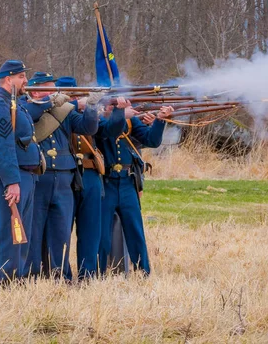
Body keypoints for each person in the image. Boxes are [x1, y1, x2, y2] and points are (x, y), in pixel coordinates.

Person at [22, 72, 100, 281]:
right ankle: (32, 275)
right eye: (47, 88)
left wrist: (91, 107)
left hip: (64, 177)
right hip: (38, 177)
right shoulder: (23, 106)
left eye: (53, 88)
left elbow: (87, 127)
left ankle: (61, 276)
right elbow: (27, 117)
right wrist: (47, 102)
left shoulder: (62, 110)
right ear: (35, 90)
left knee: (61, 232)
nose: (52, 92)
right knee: (34, 232)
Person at [55, 77, 129, 280]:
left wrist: (119, 111)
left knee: (91, 230)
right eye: (72, 95)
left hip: (89, 172)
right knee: (61, 230)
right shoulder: (54, 113)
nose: (77, 98)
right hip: (66, 174)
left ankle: (88, 274)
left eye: (78, 95)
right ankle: (61, 274)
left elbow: (110, 130)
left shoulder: (90, 112)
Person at [0, 60, 41, 284]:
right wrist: (12, 182)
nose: (26, 81)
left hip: (22, 176)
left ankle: (17, 279)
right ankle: (6, 281)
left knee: (20, 234)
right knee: (7, 232)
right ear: (8, 79)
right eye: (22, 77)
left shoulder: (15, 103)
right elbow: (1, 147)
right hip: (4, 180)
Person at [97, 104, 173, 276]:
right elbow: (110, 129)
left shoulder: (130, 121)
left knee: (135, 230)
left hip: (127, 181)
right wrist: (121, 114)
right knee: (102, 233)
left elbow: (151, 140)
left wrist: (160, 120)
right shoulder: (100, 119)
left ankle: (143, 271)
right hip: (105, 181)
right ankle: (99, 273)